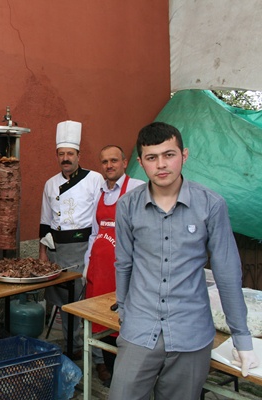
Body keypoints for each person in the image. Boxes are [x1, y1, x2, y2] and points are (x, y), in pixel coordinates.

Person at [109, 122, 260, 400]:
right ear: (141, 162)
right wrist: (125, 313)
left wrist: (241, 337)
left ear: (184, 155)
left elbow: (227, 273)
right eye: (152, 157)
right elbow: (124, 263)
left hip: (191, 332)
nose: (161, 164)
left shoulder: (211, 204)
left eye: (169, 154)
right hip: (139, 329)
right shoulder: (128, 206)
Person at [39, 120, 104, 358]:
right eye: (61, 154)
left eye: (70, 154)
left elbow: (100, 216)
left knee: (87, 299)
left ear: (78, 155)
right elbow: (45, 221)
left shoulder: (94, 179)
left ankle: (97, 353)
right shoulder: (50, 184)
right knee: (65, 301)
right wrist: (43, 254)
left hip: (84, 247)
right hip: (58, 250)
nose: (65, 158)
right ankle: (72, 346)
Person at [83, 145, 145, 385]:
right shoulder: (100, 192)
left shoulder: (137, 188)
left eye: (114, 161)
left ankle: (127, 373)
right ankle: (106, 366)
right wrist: (87, 264)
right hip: (99, 269)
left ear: (125, 162)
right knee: (100, 319)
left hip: (122, 270)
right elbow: (94, 232)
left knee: (122, 319)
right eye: (105, 162)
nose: (109, 165)